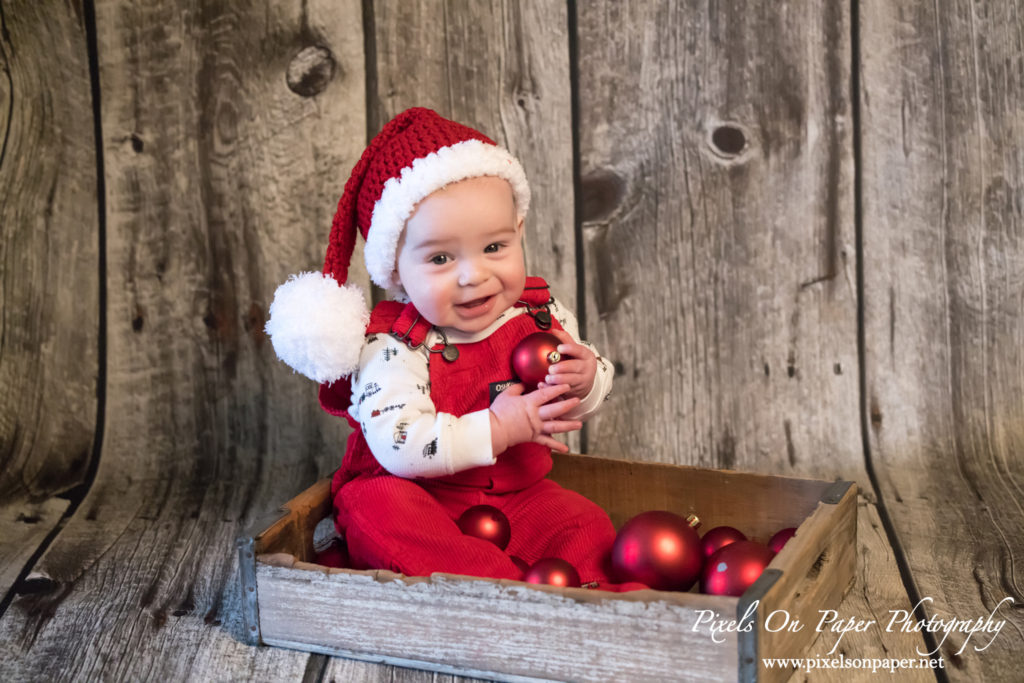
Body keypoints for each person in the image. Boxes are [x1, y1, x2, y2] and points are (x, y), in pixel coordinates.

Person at [266, 108, 639, 590]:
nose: (473, 275)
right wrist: (501, 427)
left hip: (515, 492)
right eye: (441, 257)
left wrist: (587, 379)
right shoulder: (391, 345)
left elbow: (575, 396)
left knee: (582, 522)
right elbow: (399, 445)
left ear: (519, 232)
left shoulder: (539, 315)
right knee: (378, 513)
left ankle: (584, 593)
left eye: (494, 248)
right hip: (417, 494)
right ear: (396, 270)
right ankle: (496, 592)